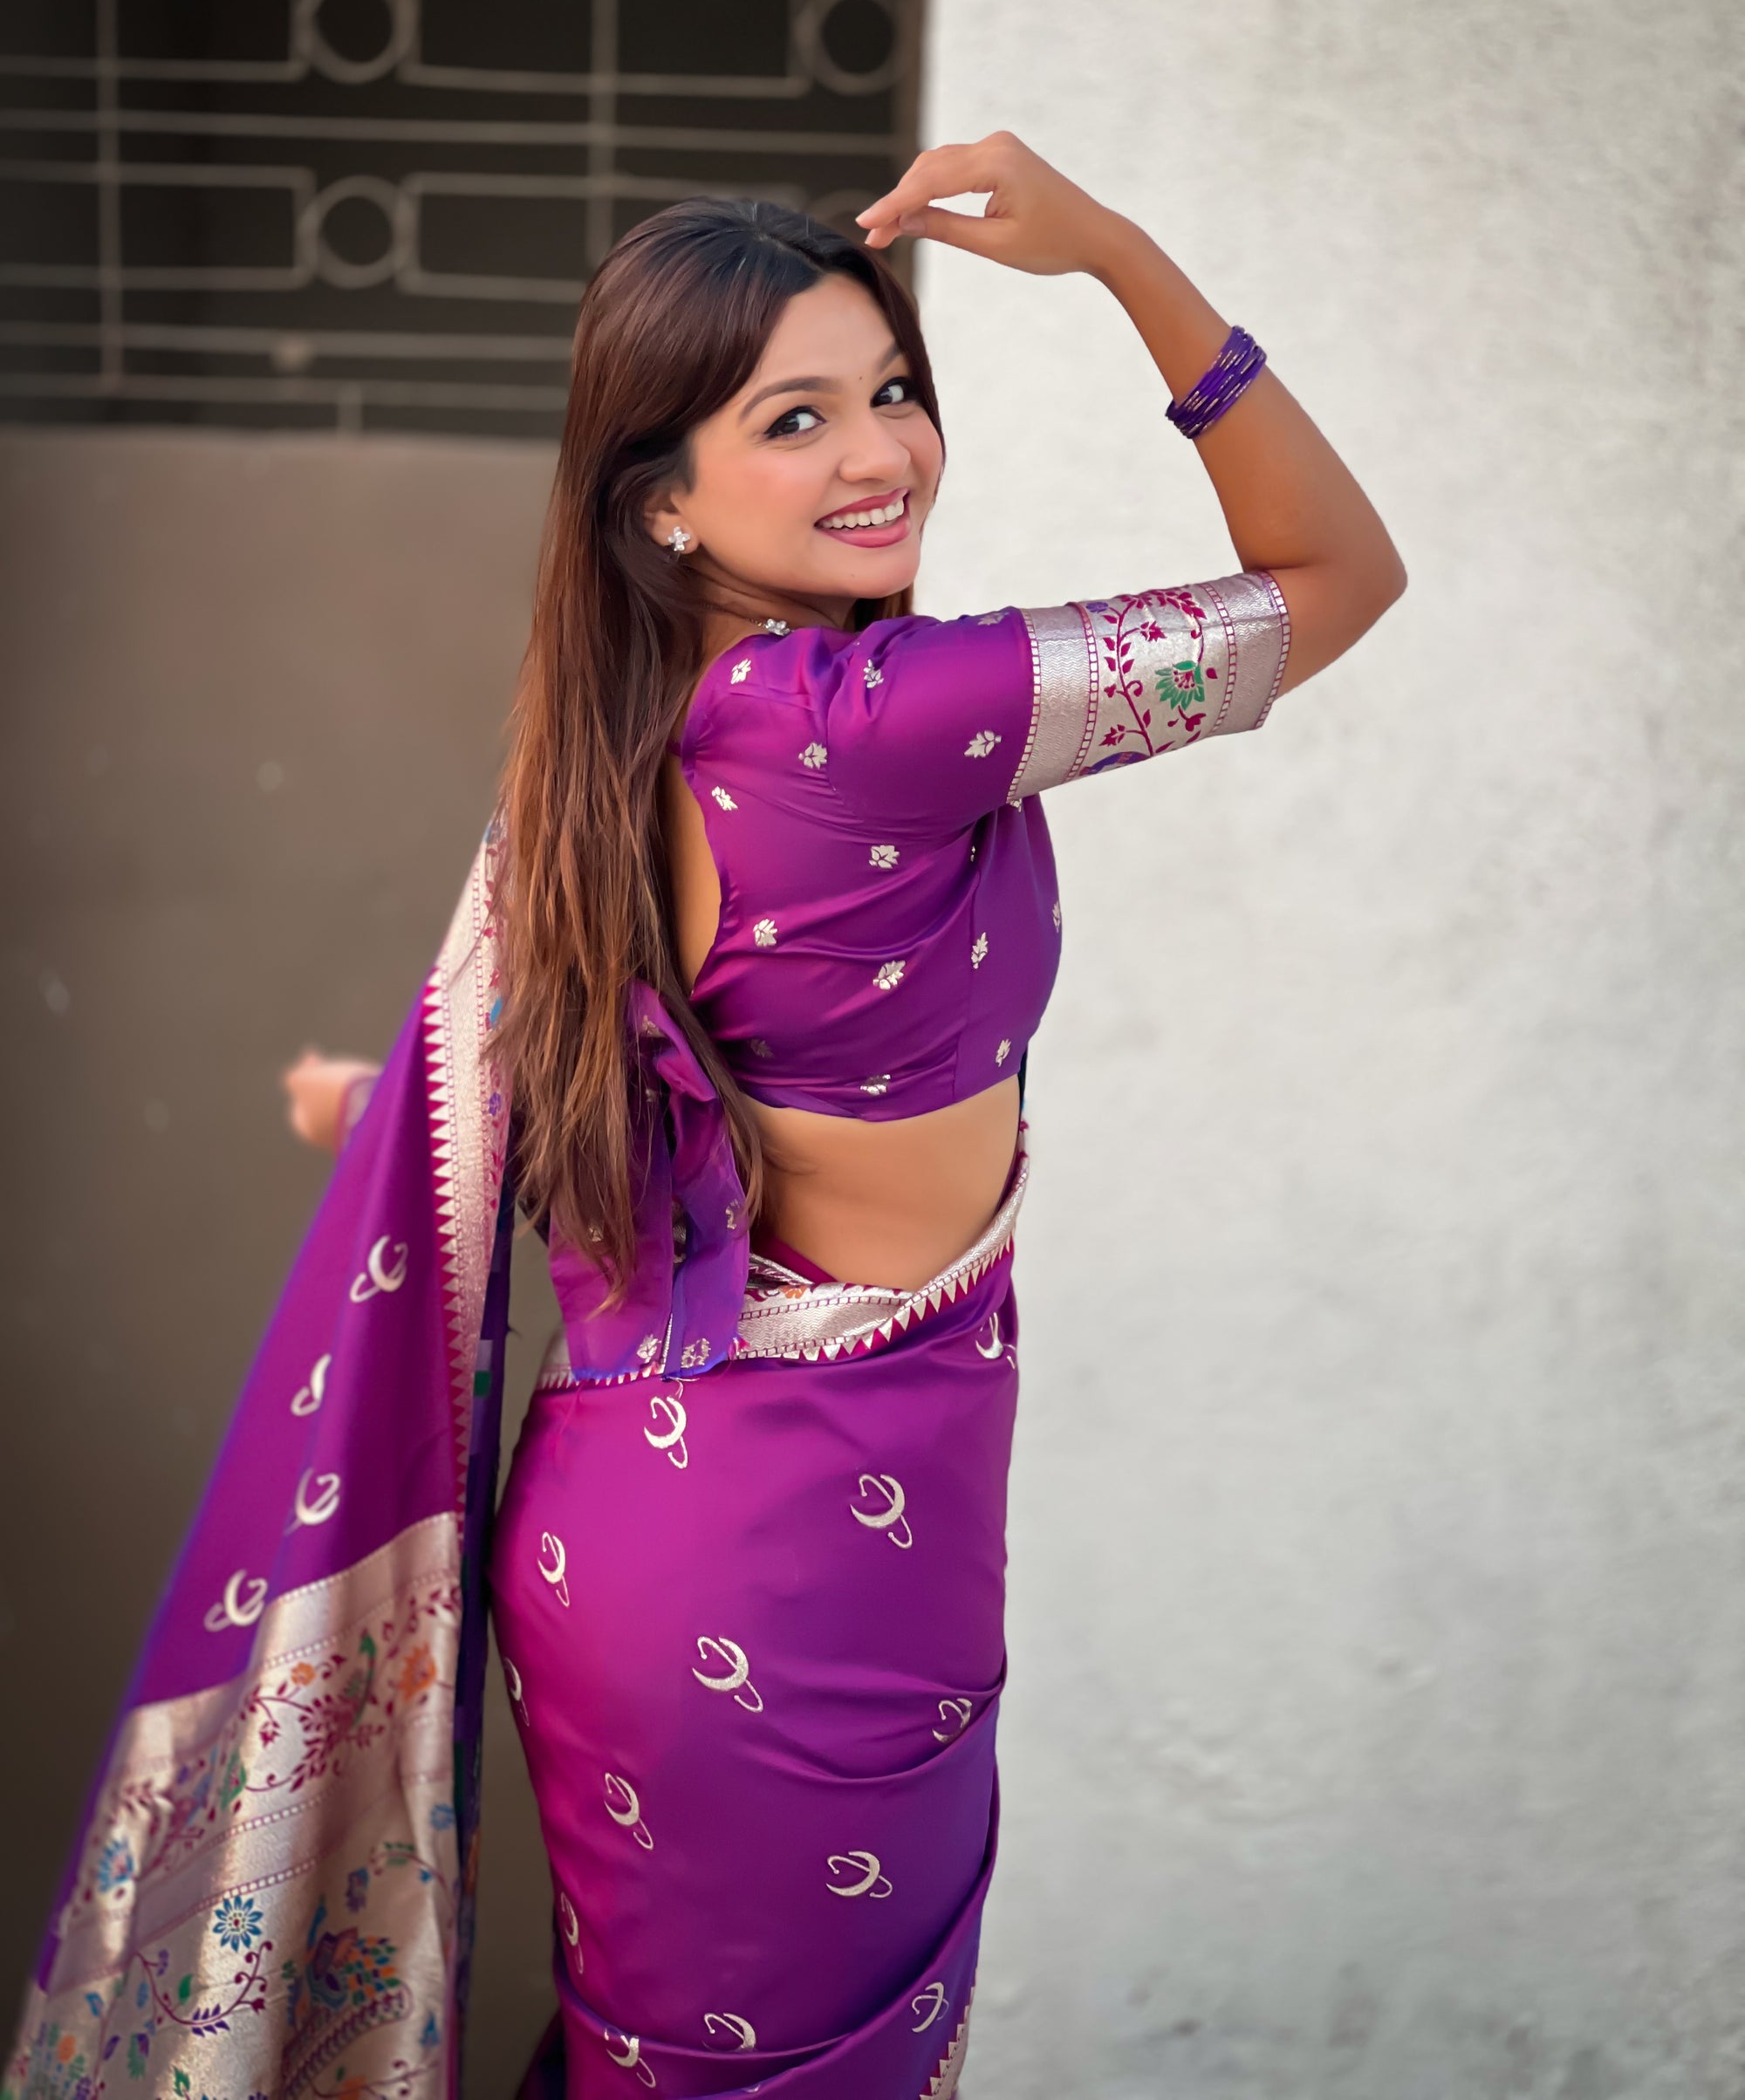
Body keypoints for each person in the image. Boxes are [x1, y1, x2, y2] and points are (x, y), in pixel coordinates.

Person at [12, 135, 1402, 2100]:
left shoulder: (631, 732)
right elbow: (1340, 579)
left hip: (700, 1524)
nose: (881, 453)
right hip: (796, 1555)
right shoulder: (882, 720)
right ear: (660, 499)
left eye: (894, 389)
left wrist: (371, 1102)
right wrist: (1119, 259)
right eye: (794, 419)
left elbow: (605, 1067)